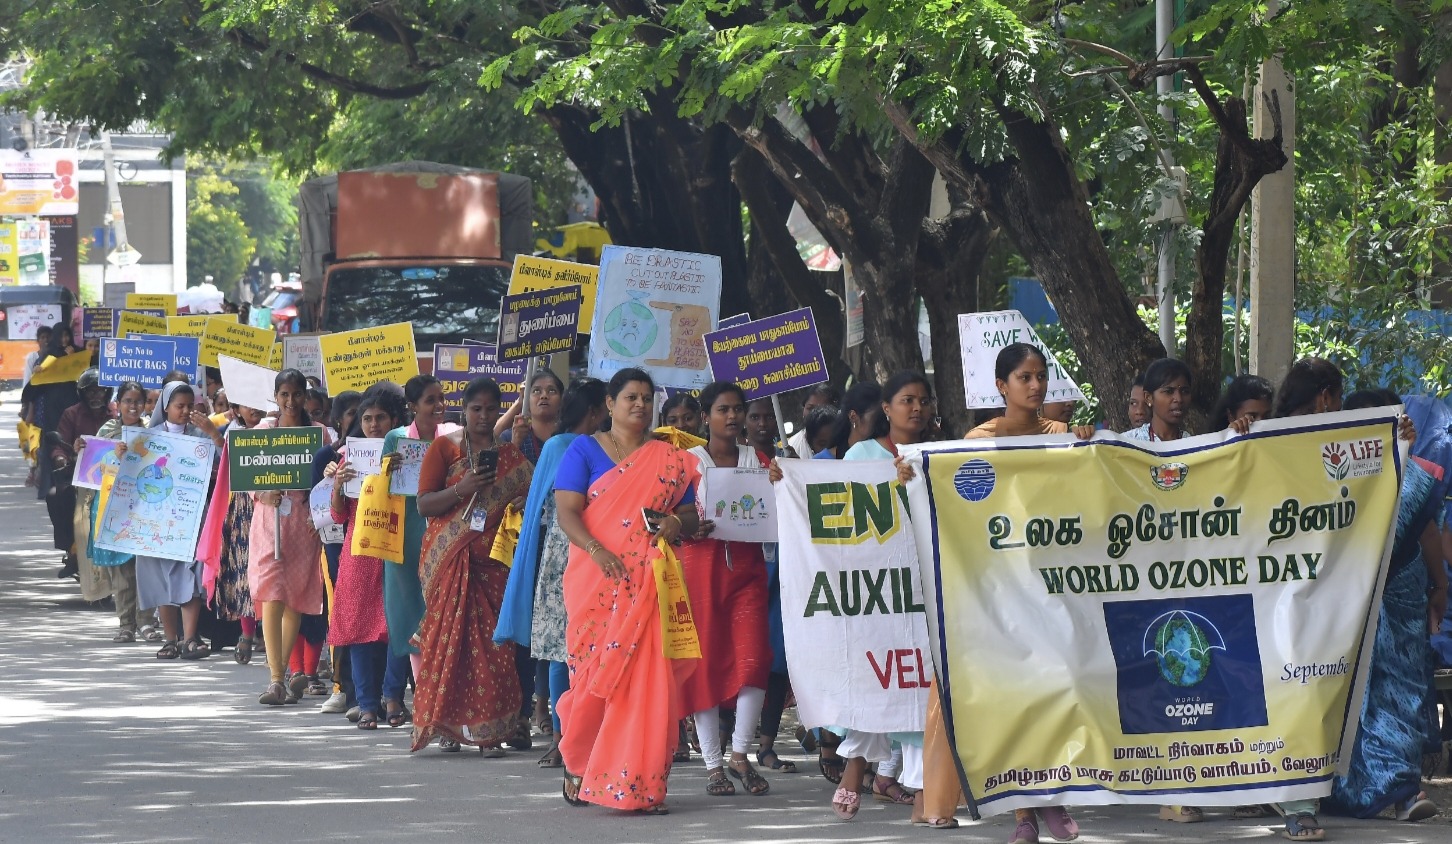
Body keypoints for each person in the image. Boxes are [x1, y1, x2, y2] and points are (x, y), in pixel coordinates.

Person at [923, 344, 1089, 839]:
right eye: (1024, 378)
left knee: (1057, 688)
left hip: (1053, 586)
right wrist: (913, 475)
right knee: (1011, 697)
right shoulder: (977, 440)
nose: (1036, 386)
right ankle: (1023, 816)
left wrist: (1090, 443)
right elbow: (955, 502)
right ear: (1001, 386)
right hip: (997, 589)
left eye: (1040, 377)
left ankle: (1054, 797)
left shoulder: (1062, 435)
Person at [553, 367, 701, 813]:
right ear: (610, 405)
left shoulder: (670, 458)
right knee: (593, 676)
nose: (639, 404)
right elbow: (567, 513)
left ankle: (639, 782)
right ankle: (580, 762)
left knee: (645, 681)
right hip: (595, 579)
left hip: (649, 583)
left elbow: (691, 514)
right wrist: (597, 551)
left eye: (646, 397)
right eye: (630, 397)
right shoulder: (583, 450)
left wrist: (676, 522)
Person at [821, 371, 936, 821]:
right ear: (886, 408)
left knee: (922, 685)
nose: (917, 408)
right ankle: (854, 770)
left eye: (924, 401)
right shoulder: (862, 454)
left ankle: (926, 793)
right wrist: (785, 477)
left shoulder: (939, 454)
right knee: (876, 681)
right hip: (878, 592)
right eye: (907, 400)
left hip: (924, 589)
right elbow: (837, 503)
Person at [410, 378, 533, 754]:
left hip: (495, 567)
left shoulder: (510, 456)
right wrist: (461, 489)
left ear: (500, 410)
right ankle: (448, 725)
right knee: (449, 646)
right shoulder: (445, 448)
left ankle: (489, 731)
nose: (483, 416)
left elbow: (531, 495)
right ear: (464, 410)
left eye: (490, 409)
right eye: (476, 409)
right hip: (449, 562)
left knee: (494, 648)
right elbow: (424, 504)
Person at [496, 377, 609, 768]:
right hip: (570, 556)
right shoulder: (570, 447)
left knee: (580, 650)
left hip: (586, 554)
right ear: (596, 412)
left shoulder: (587, 445)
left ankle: (578, 737)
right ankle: (564, 738)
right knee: (565, 651)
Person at [677, 381, 774, 797]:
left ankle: (741, 754)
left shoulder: (761, 459)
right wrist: (687, 524)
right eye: (722, 410)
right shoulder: (688, 463)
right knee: (705, 665)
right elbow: (666, 513)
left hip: (748, 572)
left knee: (754, 662)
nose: (732, 417)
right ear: (706, 416)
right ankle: (713, 765)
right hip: (700, 570)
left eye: (738, 410)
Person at [325, 395, 411, 730]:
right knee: (359, 628)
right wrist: (337, 484)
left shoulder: (406, 453)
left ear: (394, 421)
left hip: (395, 545)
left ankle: (393, 696)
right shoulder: (347, 458)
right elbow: (337, 514)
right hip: (359, 551)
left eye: (381, 418)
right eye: (367, 419)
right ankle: (366, 704)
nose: (374, 425)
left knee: (397, 626)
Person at [250, 369, 334, 706]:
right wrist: (262, 493)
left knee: (295, 596)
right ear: (275, 396)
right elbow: (245, 475)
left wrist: (322, 515)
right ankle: (275, 678)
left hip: (304, 521)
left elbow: (328, 481)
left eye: (295, 394)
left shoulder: (320, 434)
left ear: (304, 395)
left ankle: (281, 675)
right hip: (269, 519)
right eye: (283, 394)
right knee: (272, 593)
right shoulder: (263, 431)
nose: (290, 401)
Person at [382, 375, 459, 741]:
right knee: (414, 618)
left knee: (442, 621)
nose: (438, 405)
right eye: (431, 400)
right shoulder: (396, 439)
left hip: (446, 537)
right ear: (413, 406)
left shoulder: (453, 436)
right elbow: (379, 490)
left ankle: (443, 711)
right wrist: (388, 469)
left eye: (441, 398)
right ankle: (427, 710)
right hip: (408, 538)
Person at [129, 381, 225, 660]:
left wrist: (213, 434)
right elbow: (132, 473)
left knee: (191, 575)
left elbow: (227, 461)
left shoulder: (202, 435)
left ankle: (190, 638)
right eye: (178, 406)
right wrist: (125, 455)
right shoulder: (150, 436)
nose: (184, 411)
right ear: (165, 408)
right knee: (160, 577)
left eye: (189, 406)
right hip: (157, 520)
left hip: (192, 516)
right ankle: (170, 640)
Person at [91, 381, 158, 642]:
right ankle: (126, 623)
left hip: (143, 508)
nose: (133, 406)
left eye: (138, 401)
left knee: (143, 566)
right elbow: (95, 469)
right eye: (127, 401)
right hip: (114, 507)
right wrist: (110, 456)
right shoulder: (107, 432)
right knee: (121, 570)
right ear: (117, 403)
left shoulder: (152, 432)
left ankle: (146, 621)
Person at [311, 390, 363, 713]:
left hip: (370, 544)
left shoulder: (382, 453)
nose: (359, 421)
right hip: (335, 546)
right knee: (340, 614)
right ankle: (341, 685)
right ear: (338, 419)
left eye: (368, 415)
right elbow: (317, 505)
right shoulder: (324, 457)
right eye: (354, 414)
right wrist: (334, 482)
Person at [56, 368, 115, 604]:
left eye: (100, 391)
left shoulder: (115, 414)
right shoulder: (71, 414)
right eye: (91, 391)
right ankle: (68, 545)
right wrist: (65, 454)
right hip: (79, 479)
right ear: (82, 393)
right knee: (56, 496)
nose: (96, 396)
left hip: (113, 480)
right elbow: (59, 443)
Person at [215, 403, 266, 664]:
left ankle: (272, 636)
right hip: (243, 510)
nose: (254, 408)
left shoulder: (280, 430)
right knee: (245, 571)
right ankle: (247, 632)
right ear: (236, 410)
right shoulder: (231, 433)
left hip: (274, 507)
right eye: (248, 403)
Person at [502, 370, 565, 464]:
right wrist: (515, 445)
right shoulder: (509, 437)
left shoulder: (570, 437)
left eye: (552, 390)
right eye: (536, 391)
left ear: (561, 400)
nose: (544, 396)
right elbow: (501, 475)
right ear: (526, 400)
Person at [1123, 358, 1192, 443]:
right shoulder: (1126, 444)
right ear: (1149, 398)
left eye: (1185, 391)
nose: (1179, 399)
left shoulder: (1197, 448)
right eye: (1169, 391)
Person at [821, 383, 881, 459]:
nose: (883, 424)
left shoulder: (892, 456)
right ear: (853, 417)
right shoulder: (822, 461)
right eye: (877, 418)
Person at [787, 384, 841, 458]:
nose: (815, 413)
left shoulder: (845, 443)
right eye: (810, 408)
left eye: (822, 408)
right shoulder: (793, 444)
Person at [1209, 375, 1274, 432]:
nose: (1260, 422)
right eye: (1252, 416)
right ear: (1230, 416)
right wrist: (1230, 437)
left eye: (1267, 416)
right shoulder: (1219, 445)